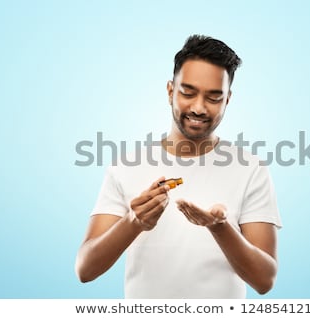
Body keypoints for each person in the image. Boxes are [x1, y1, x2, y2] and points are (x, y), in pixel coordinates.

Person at [75, 34, 282, 298]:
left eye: (214, 97)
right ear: (170, 90)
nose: (198, 107)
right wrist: (134, 221)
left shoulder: (251, 168)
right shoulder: (126, 165)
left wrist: (219, 227)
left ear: (227, 100)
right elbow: (85, 269)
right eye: (188, 92)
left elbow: (264, 280)